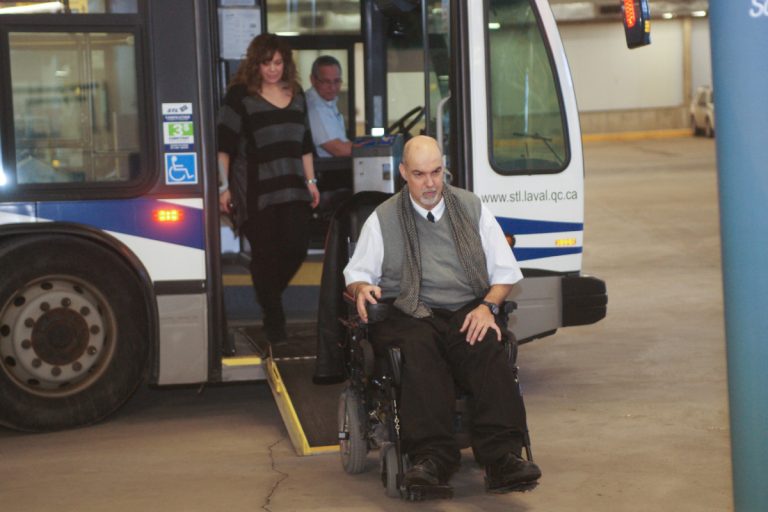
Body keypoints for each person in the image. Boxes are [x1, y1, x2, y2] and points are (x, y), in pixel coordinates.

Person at [343, 135, 541, 497]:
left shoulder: (470, 207)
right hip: (409, 310)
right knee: (418, 352)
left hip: (467, 306)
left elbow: (506, 272)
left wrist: (488, 306)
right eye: (420, 174)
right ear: (404, 172)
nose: (431, 183)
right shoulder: (383, 219)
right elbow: (356, 275)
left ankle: (502, 459)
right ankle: (431, 459)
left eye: (437, 172)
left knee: (485, 343)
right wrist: (361, 289)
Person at [217, 33, 320, 343]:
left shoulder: (297, 94)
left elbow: (304, 144)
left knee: (296, 248)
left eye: (278, 63)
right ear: (256, 64)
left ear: (285, 64)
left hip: (292, 187)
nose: (273, 69)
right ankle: (274, 321)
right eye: (266, 63)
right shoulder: (239, 96)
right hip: (254, 190)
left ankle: (268, 298)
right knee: (265, 255)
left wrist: (312, 182)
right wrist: (223, 188)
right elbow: (224, 145)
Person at [305, 55, 352, 158]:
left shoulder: (327, 101)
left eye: (336, 81)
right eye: (326, 82)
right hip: (326, 171)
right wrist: (371, 149)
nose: (332, 87)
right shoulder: (315, 107)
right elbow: (339, 149)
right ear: (312, 80)